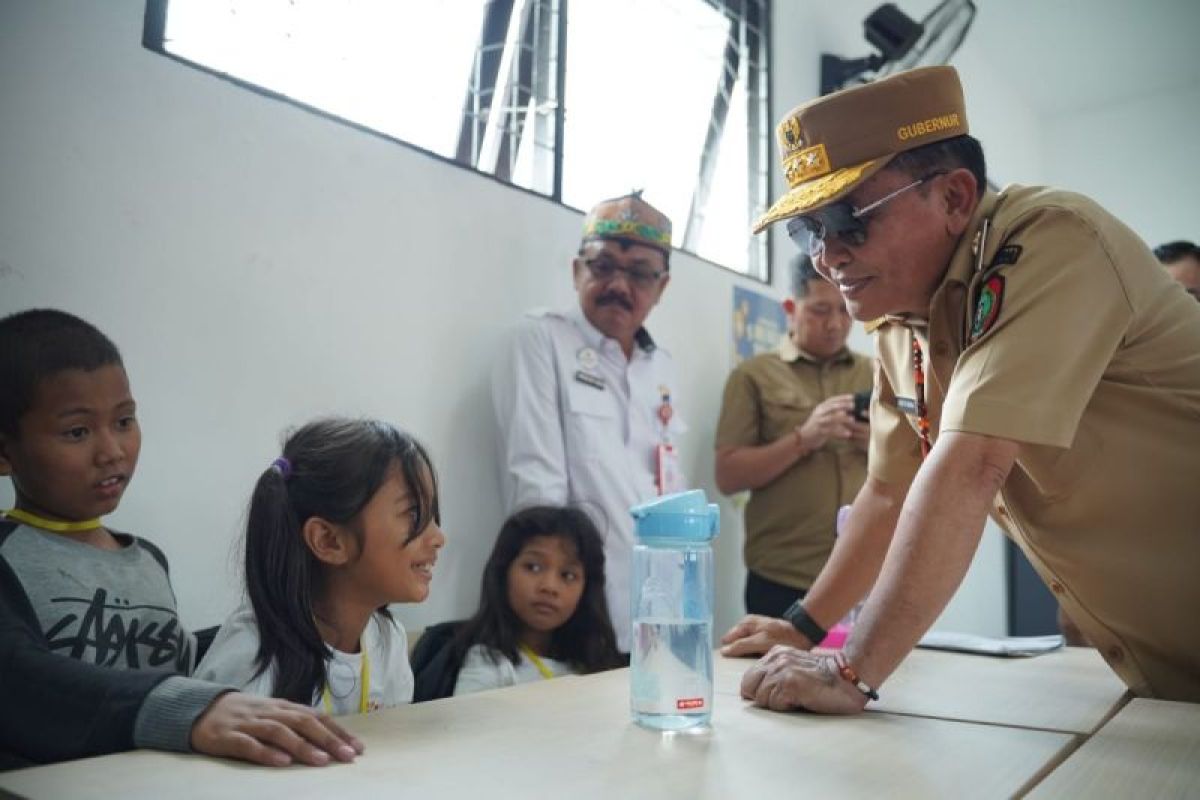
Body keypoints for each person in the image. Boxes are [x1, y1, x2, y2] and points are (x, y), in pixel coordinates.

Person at [724, 65, 1200, 711]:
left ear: (953, 197)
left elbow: (973, 462)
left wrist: (851, 672)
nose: (827, 256)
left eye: (847, 219)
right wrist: (802, 628)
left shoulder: (1052, 238)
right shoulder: (902, 323)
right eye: (808, 230)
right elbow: (887, 492)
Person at [0, 309, 362, 768]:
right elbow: (19, 678)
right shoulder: (8, 555)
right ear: (5, 451)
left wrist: (298, 619)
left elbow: (177, 663)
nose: (112, 451)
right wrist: (191, 707)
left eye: (124, 421)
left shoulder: (147, 559)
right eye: (77, 432)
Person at [492, 191, 687, 652]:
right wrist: (549, 596)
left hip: (657, 611)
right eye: (603, 266)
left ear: (661, 287)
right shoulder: (540, 340)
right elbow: (536, 484)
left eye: (639, 273)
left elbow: (667, 482)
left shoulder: (662, 367)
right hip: (576, 613)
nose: (619, 285)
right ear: (577, 270)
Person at [195, 418, 445, 715]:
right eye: (414, 513)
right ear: (328, 541)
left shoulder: (388, 640)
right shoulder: (251, 659)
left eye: (432, 514)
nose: (438, 538)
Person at [714, 254, 872, 618]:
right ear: (790, 308)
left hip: (862, 572)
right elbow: (727, 475)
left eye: (844, 310)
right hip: (781, 577)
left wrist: (876, 445)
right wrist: (803, 439)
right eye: (820, 310)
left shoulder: (876, 375)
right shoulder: (753, 376)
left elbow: (918, 462)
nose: (835, 324)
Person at [450, 505, 623, 695]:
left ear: (586, 589)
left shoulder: (595, 663)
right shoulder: (489, 663)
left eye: (568, 575)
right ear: (503, 572)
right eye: (533, 567)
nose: (549, 586)